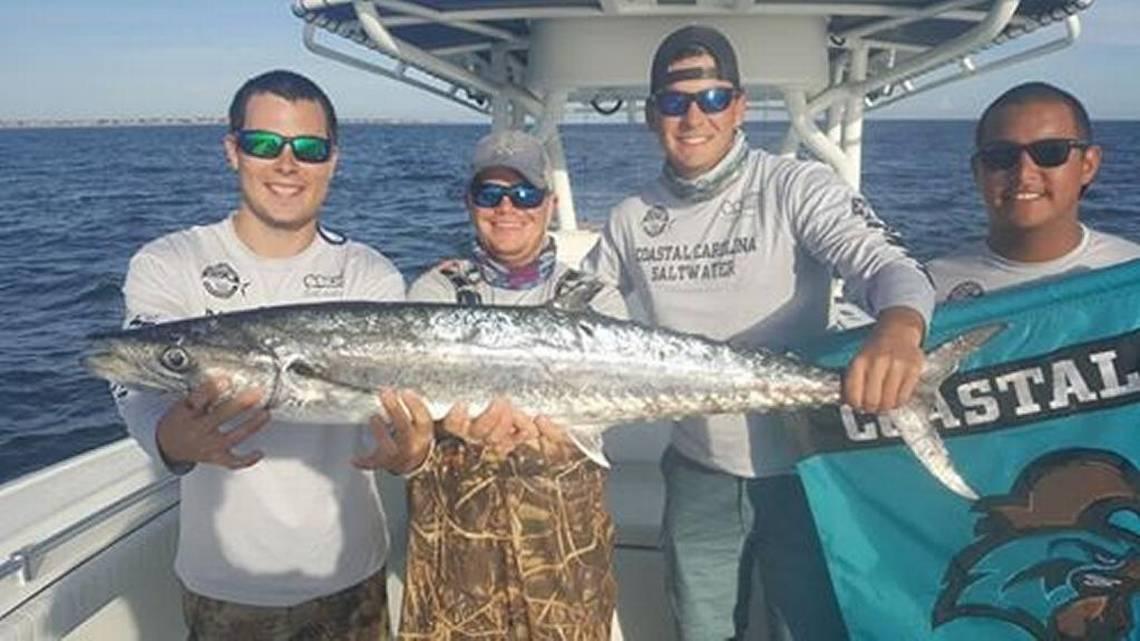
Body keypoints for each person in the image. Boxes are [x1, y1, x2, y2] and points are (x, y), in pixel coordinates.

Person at [581, 26, 935, 641]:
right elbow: (582, 320)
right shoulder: (630, 218)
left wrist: (901, 328)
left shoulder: (796, 186)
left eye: (713, 98)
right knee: (702, 631)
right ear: (650, 115)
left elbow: (889, 266)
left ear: (740, 106)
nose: (694, 116)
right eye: (674, 101)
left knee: (813, 629)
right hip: (697, 471)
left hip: (809, 470)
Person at [115, 70, 418, 640]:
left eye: (309, 148)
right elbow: (138, 381)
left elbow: (395, 424)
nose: (287, 163)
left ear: (333, 160)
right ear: (232, 151)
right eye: (263, 144)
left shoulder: (369, 274)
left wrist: (410, 455)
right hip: (225, 585)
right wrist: (170, 439)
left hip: (352, 578)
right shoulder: (169, 262)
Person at [393, 130, 629, 640]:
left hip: (564, 565)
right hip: (455, 568)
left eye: (524, 195)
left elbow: (601, 417)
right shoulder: (435, 291)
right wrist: (431, 440)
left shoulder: (594, 299)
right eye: (490, 194)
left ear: (551, 203)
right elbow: (413, 433)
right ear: (469, 203)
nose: (507, 208)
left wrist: (560, 437)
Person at [927, 82, 1140, 302]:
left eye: (1051, 152)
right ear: (977, 171)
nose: (1023, 173)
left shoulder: (1131, 276)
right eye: (1000, 155)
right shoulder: (927, 294)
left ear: (1088, 165)